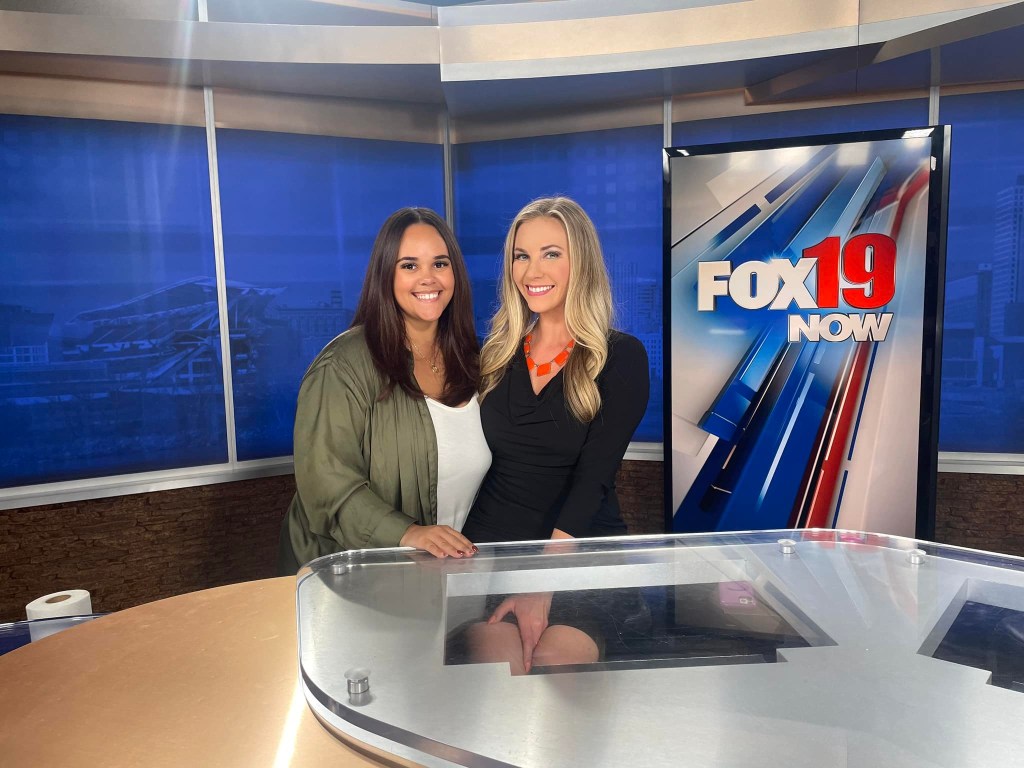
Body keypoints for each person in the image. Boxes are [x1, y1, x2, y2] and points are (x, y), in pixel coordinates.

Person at [459, 196, 650, 673]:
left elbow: (594, 481)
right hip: (494, 554)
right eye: (521, 255)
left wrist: (542, 583)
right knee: (501, 675)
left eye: (551, 253)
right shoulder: (494, 357)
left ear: (580, 262)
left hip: (579, 555)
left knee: (553, 667)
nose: (532, 270)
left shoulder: (619, 356)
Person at [277, 207, 490, 574]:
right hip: (348, 580)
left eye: (440, 264)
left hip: (446, 574)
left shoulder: (479, 360)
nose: (428, 279)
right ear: (385, 275)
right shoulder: (342, 366)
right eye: (409, 265)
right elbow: (327, 485)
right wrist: (408, 533)